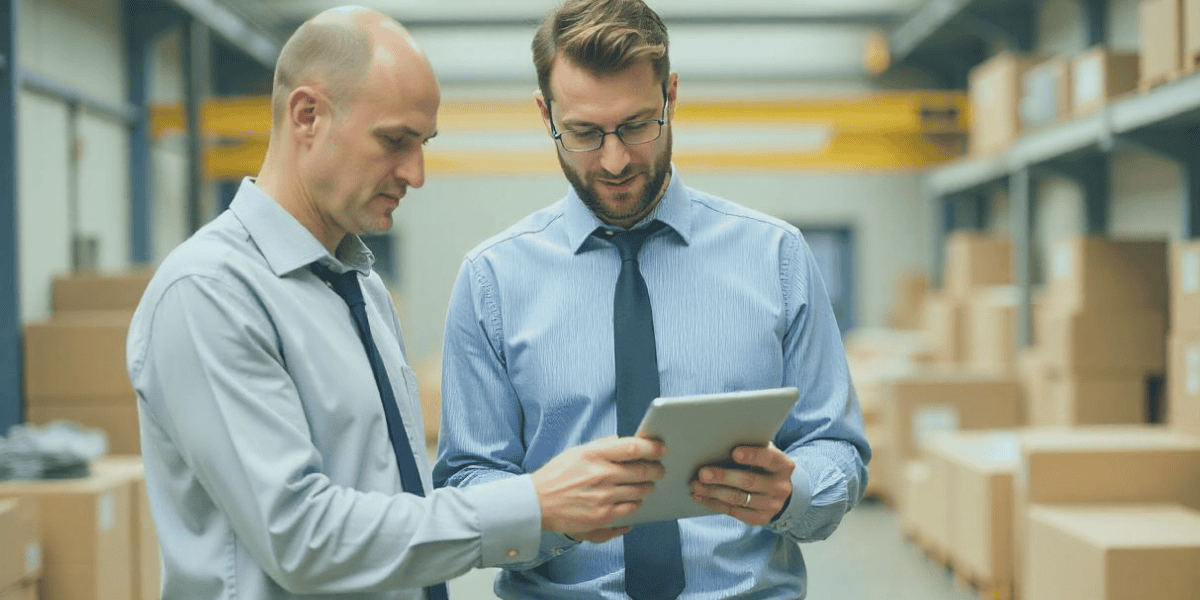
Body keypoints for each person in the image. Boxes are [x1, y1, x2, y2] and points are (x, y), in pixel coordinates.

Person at [125, 6, 667, 600]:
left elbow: (391, 507)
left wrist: (551, 514)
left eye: (423, 143)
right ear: (307, 116)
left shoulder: (359, 289)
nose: (416, 172)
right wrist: (532, 504)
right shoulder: (211, 294)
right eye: (394, 141)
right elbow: (302, 538)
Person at [433, 0, 871, 598]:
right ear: (545, 114)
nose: (614, 161)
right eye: (585, 133)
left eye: (637, 126)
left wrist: (790, 492)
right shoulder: (492, 281)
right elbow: (466, 477)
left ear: (671, 96)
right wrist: (545, 509)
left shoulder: (777, 258)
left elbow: (837, 447)